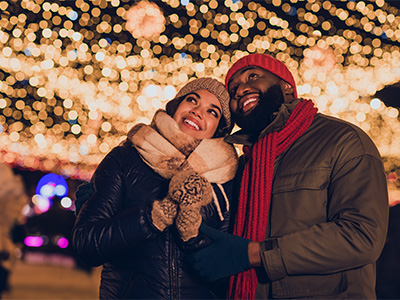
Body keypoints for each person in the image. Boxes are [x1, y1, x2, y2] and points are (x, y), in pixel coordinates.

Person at [185, 53, 389, 299]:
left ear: (287, 87)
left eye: (252, 76)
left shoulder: (341, 140)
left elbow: (362, 236)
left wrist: (255, 254)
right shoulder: (242, 166)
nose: (240, 90)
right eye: (234, 89)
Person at [72, 77, 238, 299]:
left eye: (212, 112)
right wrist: (152, 218)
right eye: (192, 100)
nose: (198, 112)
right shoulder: (126, 158)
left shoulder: (225, 180)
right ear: (175, 106)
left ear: (219, 130)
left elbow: (227, 276)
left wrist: (194, 238)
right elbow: (87, 245)